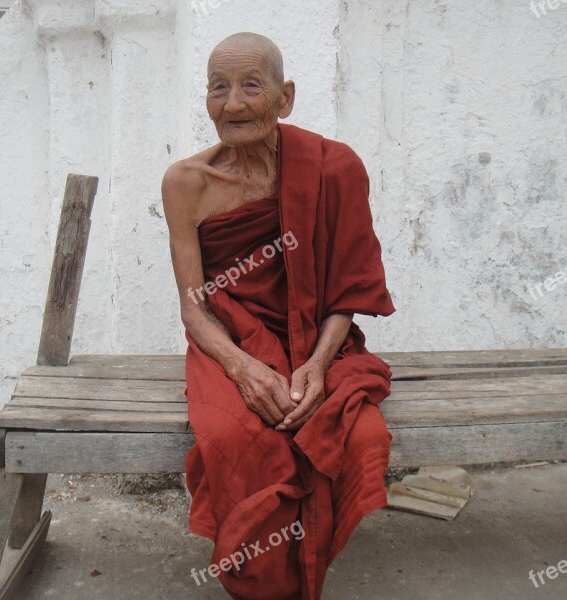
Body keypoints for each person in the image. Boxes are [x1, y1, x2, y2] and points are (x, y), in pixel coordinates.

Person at [161, 31, 396, 600]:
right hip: (229, 339)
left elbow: (346, 288)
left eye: (250, 86)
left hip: (319, 341)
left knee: (360, 435)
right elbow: (194, 308)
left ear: (285, 97)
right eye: (219, 88)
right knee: (235, 438)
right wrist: (242, 369)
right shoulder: (185, 183)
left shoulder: (333, 167)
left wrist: (317, 363)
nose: (233, 104)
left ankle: (303, 575)